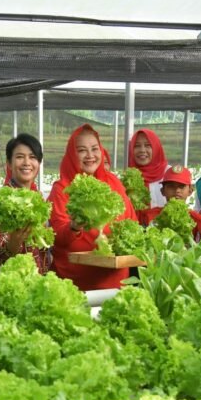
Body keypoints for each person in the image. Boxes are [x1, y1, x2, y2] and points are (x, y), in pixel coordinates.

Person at [48, 124, 137, 291]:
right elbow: (56, 237)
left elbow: (131, 223)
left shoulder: (113, 182)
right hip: (75, 286)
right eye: (82, 150)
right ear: (72, 155)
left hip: (115, 283)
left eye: (95, 149)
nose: (90, 155)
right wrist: (73, 227)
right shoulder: (62, 188)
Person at [0, 133, 51, 279]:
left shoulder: (39, 198)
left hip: (36, 280)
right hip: (7, 281)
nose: (27, 162)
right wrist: (14, 241)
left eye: (32, 157)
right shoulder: (2, 199)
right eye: (20, 157)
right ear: (9, 163)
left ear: (39, 163)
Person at [136, 165, 201, 228]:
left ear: (190, 191)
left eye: (181, 186)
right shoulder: (148, 216)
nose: (177, 190)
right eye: (171, 186)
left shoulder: (198, 220)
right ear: (162, 191)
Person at [128, 128, 170, 208]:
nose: (142, 150)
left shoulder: (169, 174)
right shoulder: (128, 178)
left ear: (156, 147)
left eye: (148, 145)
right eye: (137, 146)